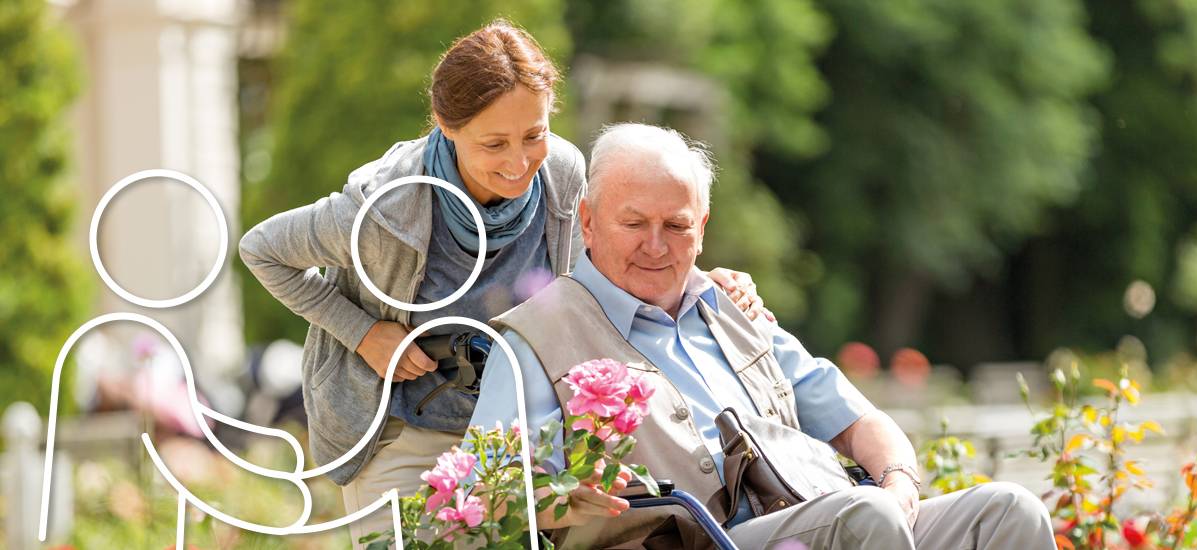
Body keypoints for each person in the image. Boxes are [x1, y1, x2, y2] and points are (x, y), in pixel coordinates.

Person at [237, 21, 769, 547]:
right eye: (494, 143)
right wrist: (362, 332)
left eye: (533, 135)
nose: (519, 163)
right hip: (402, 436)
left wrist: (699, 279)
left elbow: (606, 262)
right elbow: (260, 249)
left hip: (520, 439)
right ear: (447, 126)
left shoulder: (561, 171)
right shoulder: (387, 208)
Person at [470, 123, 1056, 549]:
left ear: (701, 228)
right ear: (590, 221)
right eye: (633, 223)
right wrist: (571, 494)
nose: (656, 245)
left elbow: (861, 422)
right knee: (863, 517)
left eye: (675, 225)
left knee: (1008, 511)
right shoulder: (534, 338)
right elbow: (484, 495)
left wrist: (899, 483)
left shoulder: (733, 309)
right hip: (687, 541)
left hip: (817, 516)